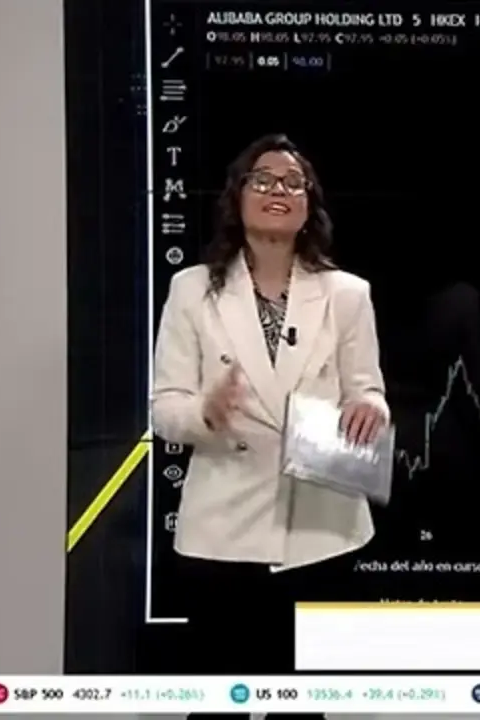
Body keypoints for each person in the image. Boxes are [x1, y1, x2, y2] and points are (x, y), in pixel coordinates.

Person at [151, 134, 387, 717]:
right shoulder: (192, 290)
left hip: (322, 530)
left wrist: (372, 409)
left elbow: (367, 389)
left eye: (293, 182)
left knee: (302, 707)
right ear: (238, 196)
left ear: (309, 206)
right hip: (222, 532)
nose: (277, 189)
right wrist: (206, 413)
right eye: (262, 179)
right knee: (218, 705)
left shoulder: (347, 295)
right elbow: (164, 409)